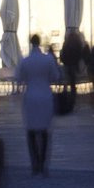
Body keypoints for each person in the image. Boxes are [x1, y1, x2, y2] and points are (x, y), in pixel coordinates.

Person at [14, 34, 62, 175]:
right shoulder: (47, 60)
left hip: (30, 97)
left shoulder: (25, 61)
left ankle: (34, 164)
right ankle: (43, 163)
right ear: (39, 43)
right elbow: (55, 77)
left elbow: (19, 78)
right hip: (45, 97)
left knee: (31, 131)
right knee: (44, 131)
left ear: (30, 43)